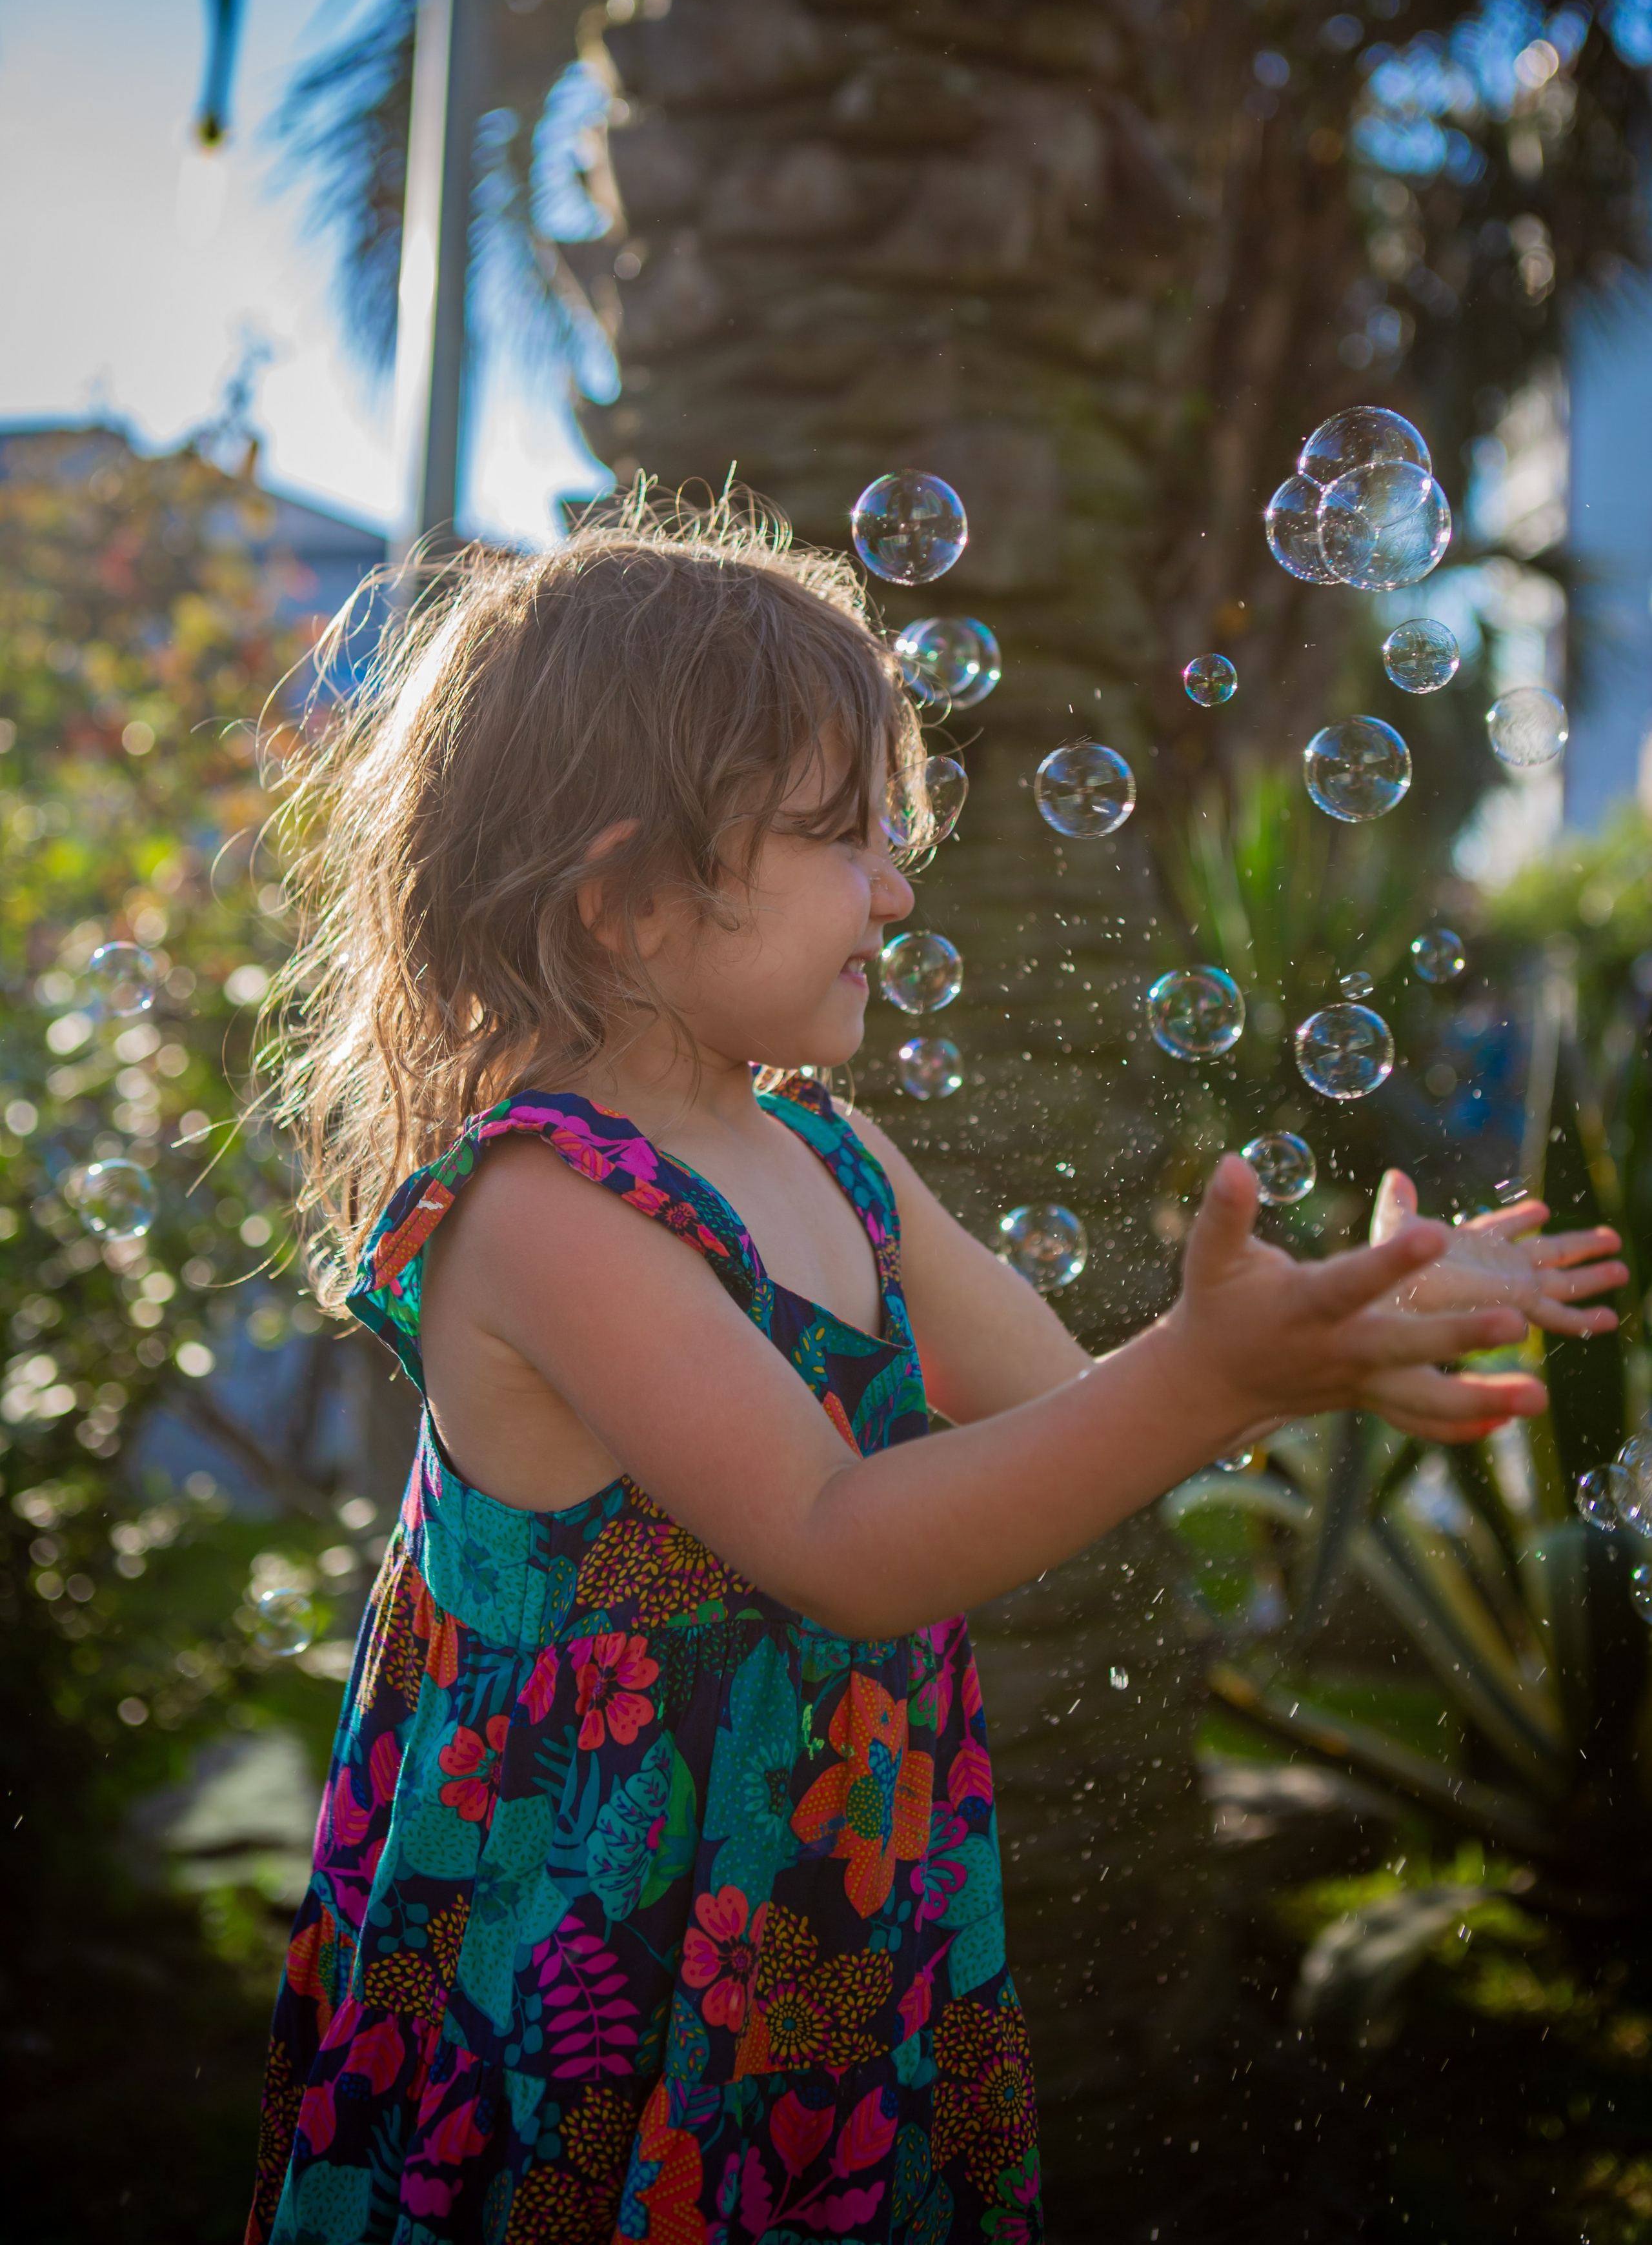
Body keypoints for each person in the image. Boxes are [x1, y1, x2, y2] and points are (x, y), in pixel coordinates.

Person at [245, 496, 1625, 2245]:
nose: (899, 885)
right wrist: (1211, 1375)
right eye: (841, 837)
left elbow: (1065, 1419)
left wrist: (1317, 1347)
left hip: (823, 1928)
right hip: (597, 1970)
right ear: (629, 903)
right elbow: (844, 1537)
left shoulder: (831, 1154)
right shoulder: (541, 1208)